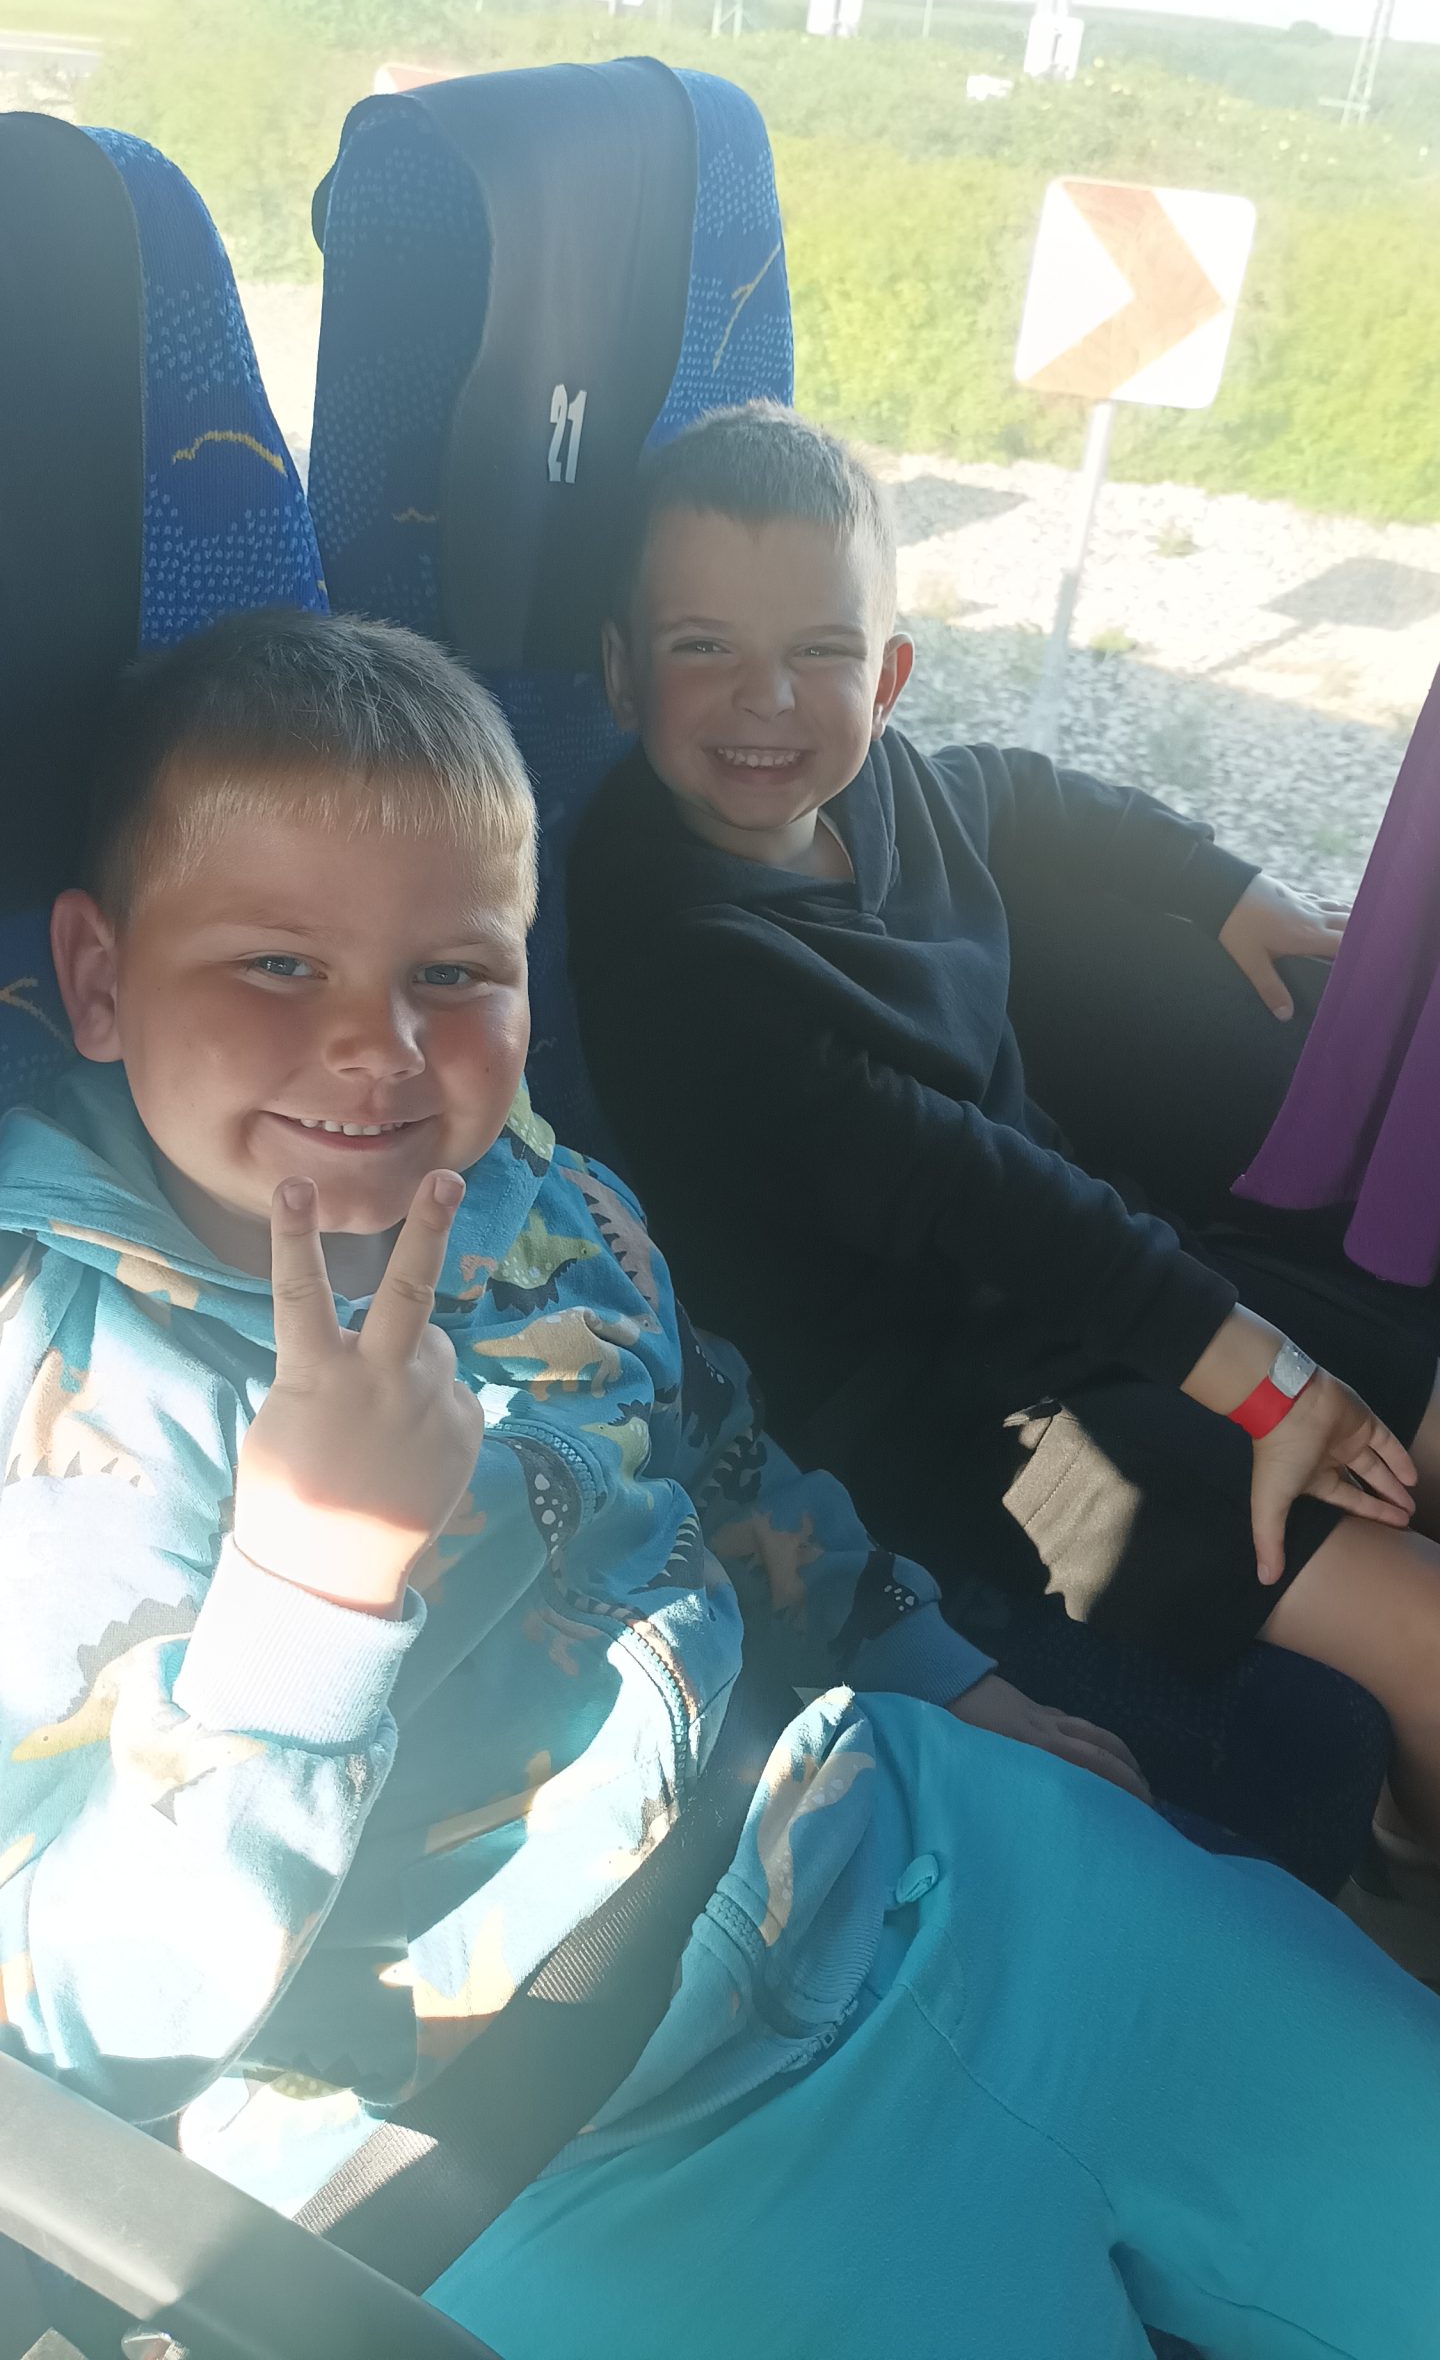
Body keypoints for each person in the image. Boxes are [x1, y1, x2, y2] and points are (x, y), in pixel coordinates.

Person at [4, 607, 1440, 2360]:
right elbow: (75, 2044)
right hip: (549, 2148)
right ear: (97, 980)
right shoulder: (60, 1403)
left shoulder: (553, 1202)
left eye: (453, 974)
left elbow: (726, 1450)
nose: (379, 1048)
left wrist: (936, 1665)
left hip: (897, 1850)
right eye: (279, 966)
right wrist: (303, 1601)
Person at [567, 401, 1440, 1889]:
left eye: (822, 652)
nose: (766, 700)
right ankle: (1403, 1856)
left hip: (1097, 1298)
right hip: (972, 1444)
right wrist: (1265, 1382)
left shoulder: (880, 788)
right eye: (703, 645)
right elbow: (975, 1191)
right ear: (619, 668)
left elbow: (1026, 799)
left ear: (889, 675)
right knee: (1421, 1633)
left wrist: (1220, 884)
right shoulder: (683, 965)